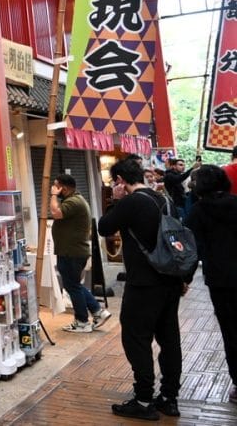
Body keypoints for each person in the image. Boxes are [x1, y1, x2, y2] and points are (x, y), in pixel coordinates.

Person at [98, 157, 190, 419]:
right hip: (170, 281)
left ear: (119, 180)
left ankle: (143, 400)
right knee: (169, 339)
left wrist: (115, 200)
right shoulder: (164, 199)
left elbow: (105, 228)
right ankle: (169, 398)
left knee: (136, 339)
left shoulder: (130, 202)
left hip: (143, 284)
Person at [184, 164, 237, 404]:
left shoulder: (197, 211)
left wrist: (184, 279)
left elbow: (192, 250)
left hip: (220, 280)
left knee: (230, 331)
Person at [49, 174, 111, 333]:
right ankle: (98, 312)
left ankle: (82, 321)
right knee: (74, 285)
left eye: (57, 186)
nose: (54, 189)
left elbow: (56, 213)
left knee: (73, 286)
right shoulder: (74, 200)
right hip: (71, 251)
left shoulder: (74, 202)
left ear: (64, 188)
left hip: (72, 252)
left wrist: (53, 196)